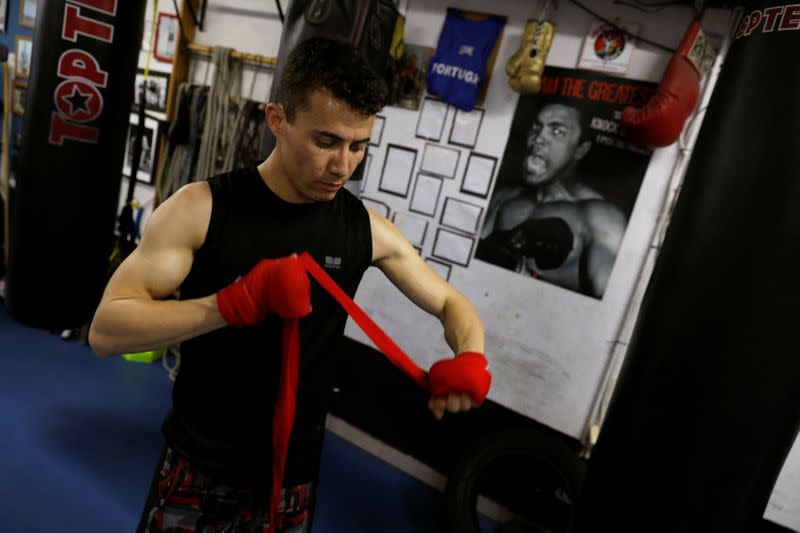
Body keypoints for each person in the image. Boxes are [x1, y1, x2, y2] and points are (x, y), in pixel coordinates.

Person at [88, 37, 489, 533]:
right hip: (200, 466)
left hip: (293, 478)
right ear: (276, 120)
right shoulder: (202, 209)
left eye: (358, 145)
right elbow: (106, 330)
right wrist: (230, 304)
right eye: (325, 141)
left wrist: (471, 355)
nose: (343, 165)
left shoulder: (365, 228)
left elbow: (450, 301)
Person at [477, 100, 627, 298]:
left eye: (557, 132)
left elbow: (607, 303)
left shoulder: (601, 216)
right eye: (536, 127)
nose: (538, 138)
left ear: (580, 149)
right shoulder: (505, 197)